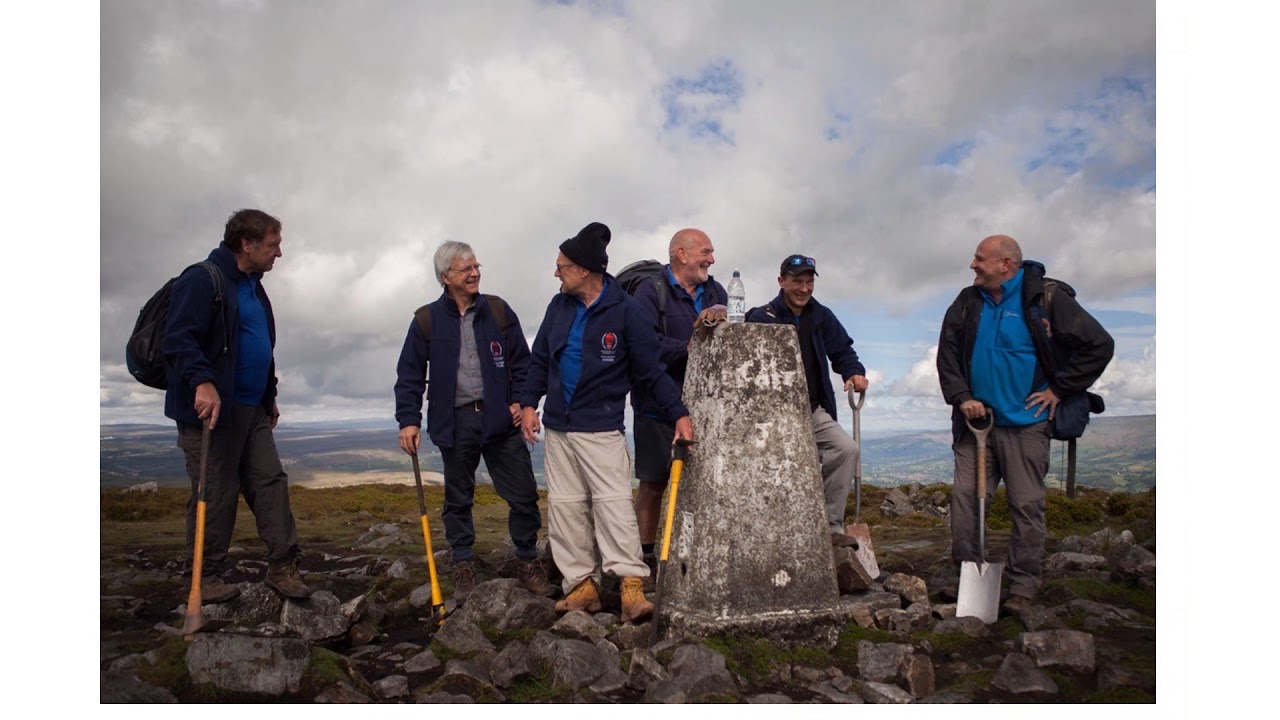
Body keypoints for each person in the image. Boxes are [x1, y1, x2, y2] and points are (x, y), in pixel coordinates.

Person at [519, 221, 695, 623]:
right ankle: (582, 586)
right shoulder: (557, 306)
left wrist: (679, 414)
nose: (556, 272)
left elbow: (651, 370)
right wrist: (529, 404)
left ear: (584, 270)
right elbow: (541, 359)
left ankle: (631, 586)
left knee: (614, 505)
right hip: (560, 427)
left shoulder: (626, 312)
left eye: (562, 266)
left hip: (601, 427)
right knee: (565, 507)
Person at [936, 234, 1114, 615]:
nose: (972, 265)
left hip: (1026, 425)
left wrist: (1060, 389)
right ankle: (968, 575)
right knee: (965, 499)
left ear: (1006, 265)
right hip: (976, 425)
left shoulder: (1045, 299)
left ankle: (1022, 586)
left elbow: (1099, 344)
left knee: (1026, 504)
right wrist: (962, 396)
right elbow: (947, 355)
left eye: (980, 259)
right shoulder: (967, 302)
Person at [162, 208, 311, 603]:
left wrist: (269, 395)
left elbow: (259, 344)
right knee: (217, 491)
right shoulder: (202, 279)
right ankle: (204, 577)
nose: (278, 253)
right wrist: (204, 381)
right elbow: (178, 339)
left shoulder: (253, 286)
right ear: (246, 244)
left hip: (253, 409)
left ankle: (283, 566)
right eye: (273, 244)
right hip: (210, 411)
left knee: (270, 483)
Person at [394, 241, 553, 602]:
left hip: (500, 419)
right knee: (458, 497)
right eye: (466, 269)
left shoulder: (497, 311)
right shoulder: (426, 320)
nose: (475, 273)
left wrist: (519, 401)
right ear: (446, 276)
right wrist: (409, 419)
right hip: (456, 421)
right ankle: (463, 563)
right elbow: (410, 374)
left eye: (476, 266)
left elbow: (523, 363)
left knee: (523, 493)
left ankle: (527, 560)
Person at [746, 254, 868, 545]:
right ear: (782, 282)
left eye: (809, 282)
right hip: (772, 416)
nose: (804, 288)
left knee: (846, 449)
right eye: (797, 281)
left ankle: (829, 528)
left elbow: (842, 350)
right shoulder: (762, 317)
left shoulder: (820, 315)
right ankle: (783, 528)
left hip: (811, 408)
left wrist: (854, 372)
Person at [630, 228, 727, 582]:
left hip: (704, 407)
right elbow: (640, 343)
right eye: (705, 251)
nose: (711, 259)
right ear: (681, 254)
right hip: (655, 405)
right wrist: (686, 347)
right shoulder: (649, 291)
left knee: (701, 484)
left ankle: (692, 555)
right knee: (653, 483)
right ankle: (646, 556)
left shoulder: (716, 291)